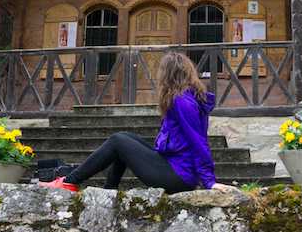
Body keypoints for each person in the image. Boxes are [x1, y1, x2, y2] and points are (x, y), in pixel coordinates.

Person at [40, 52, 235, 193]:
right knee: (125, 138)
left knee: (118, 141)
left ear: (168, 74)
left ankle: (70, 182)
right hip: (173, 167)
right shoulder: (185, 98)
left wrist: (209, 181)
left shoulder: (182, 101)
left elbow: (198, 141)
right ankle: (109, 192)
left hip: (178, 176)